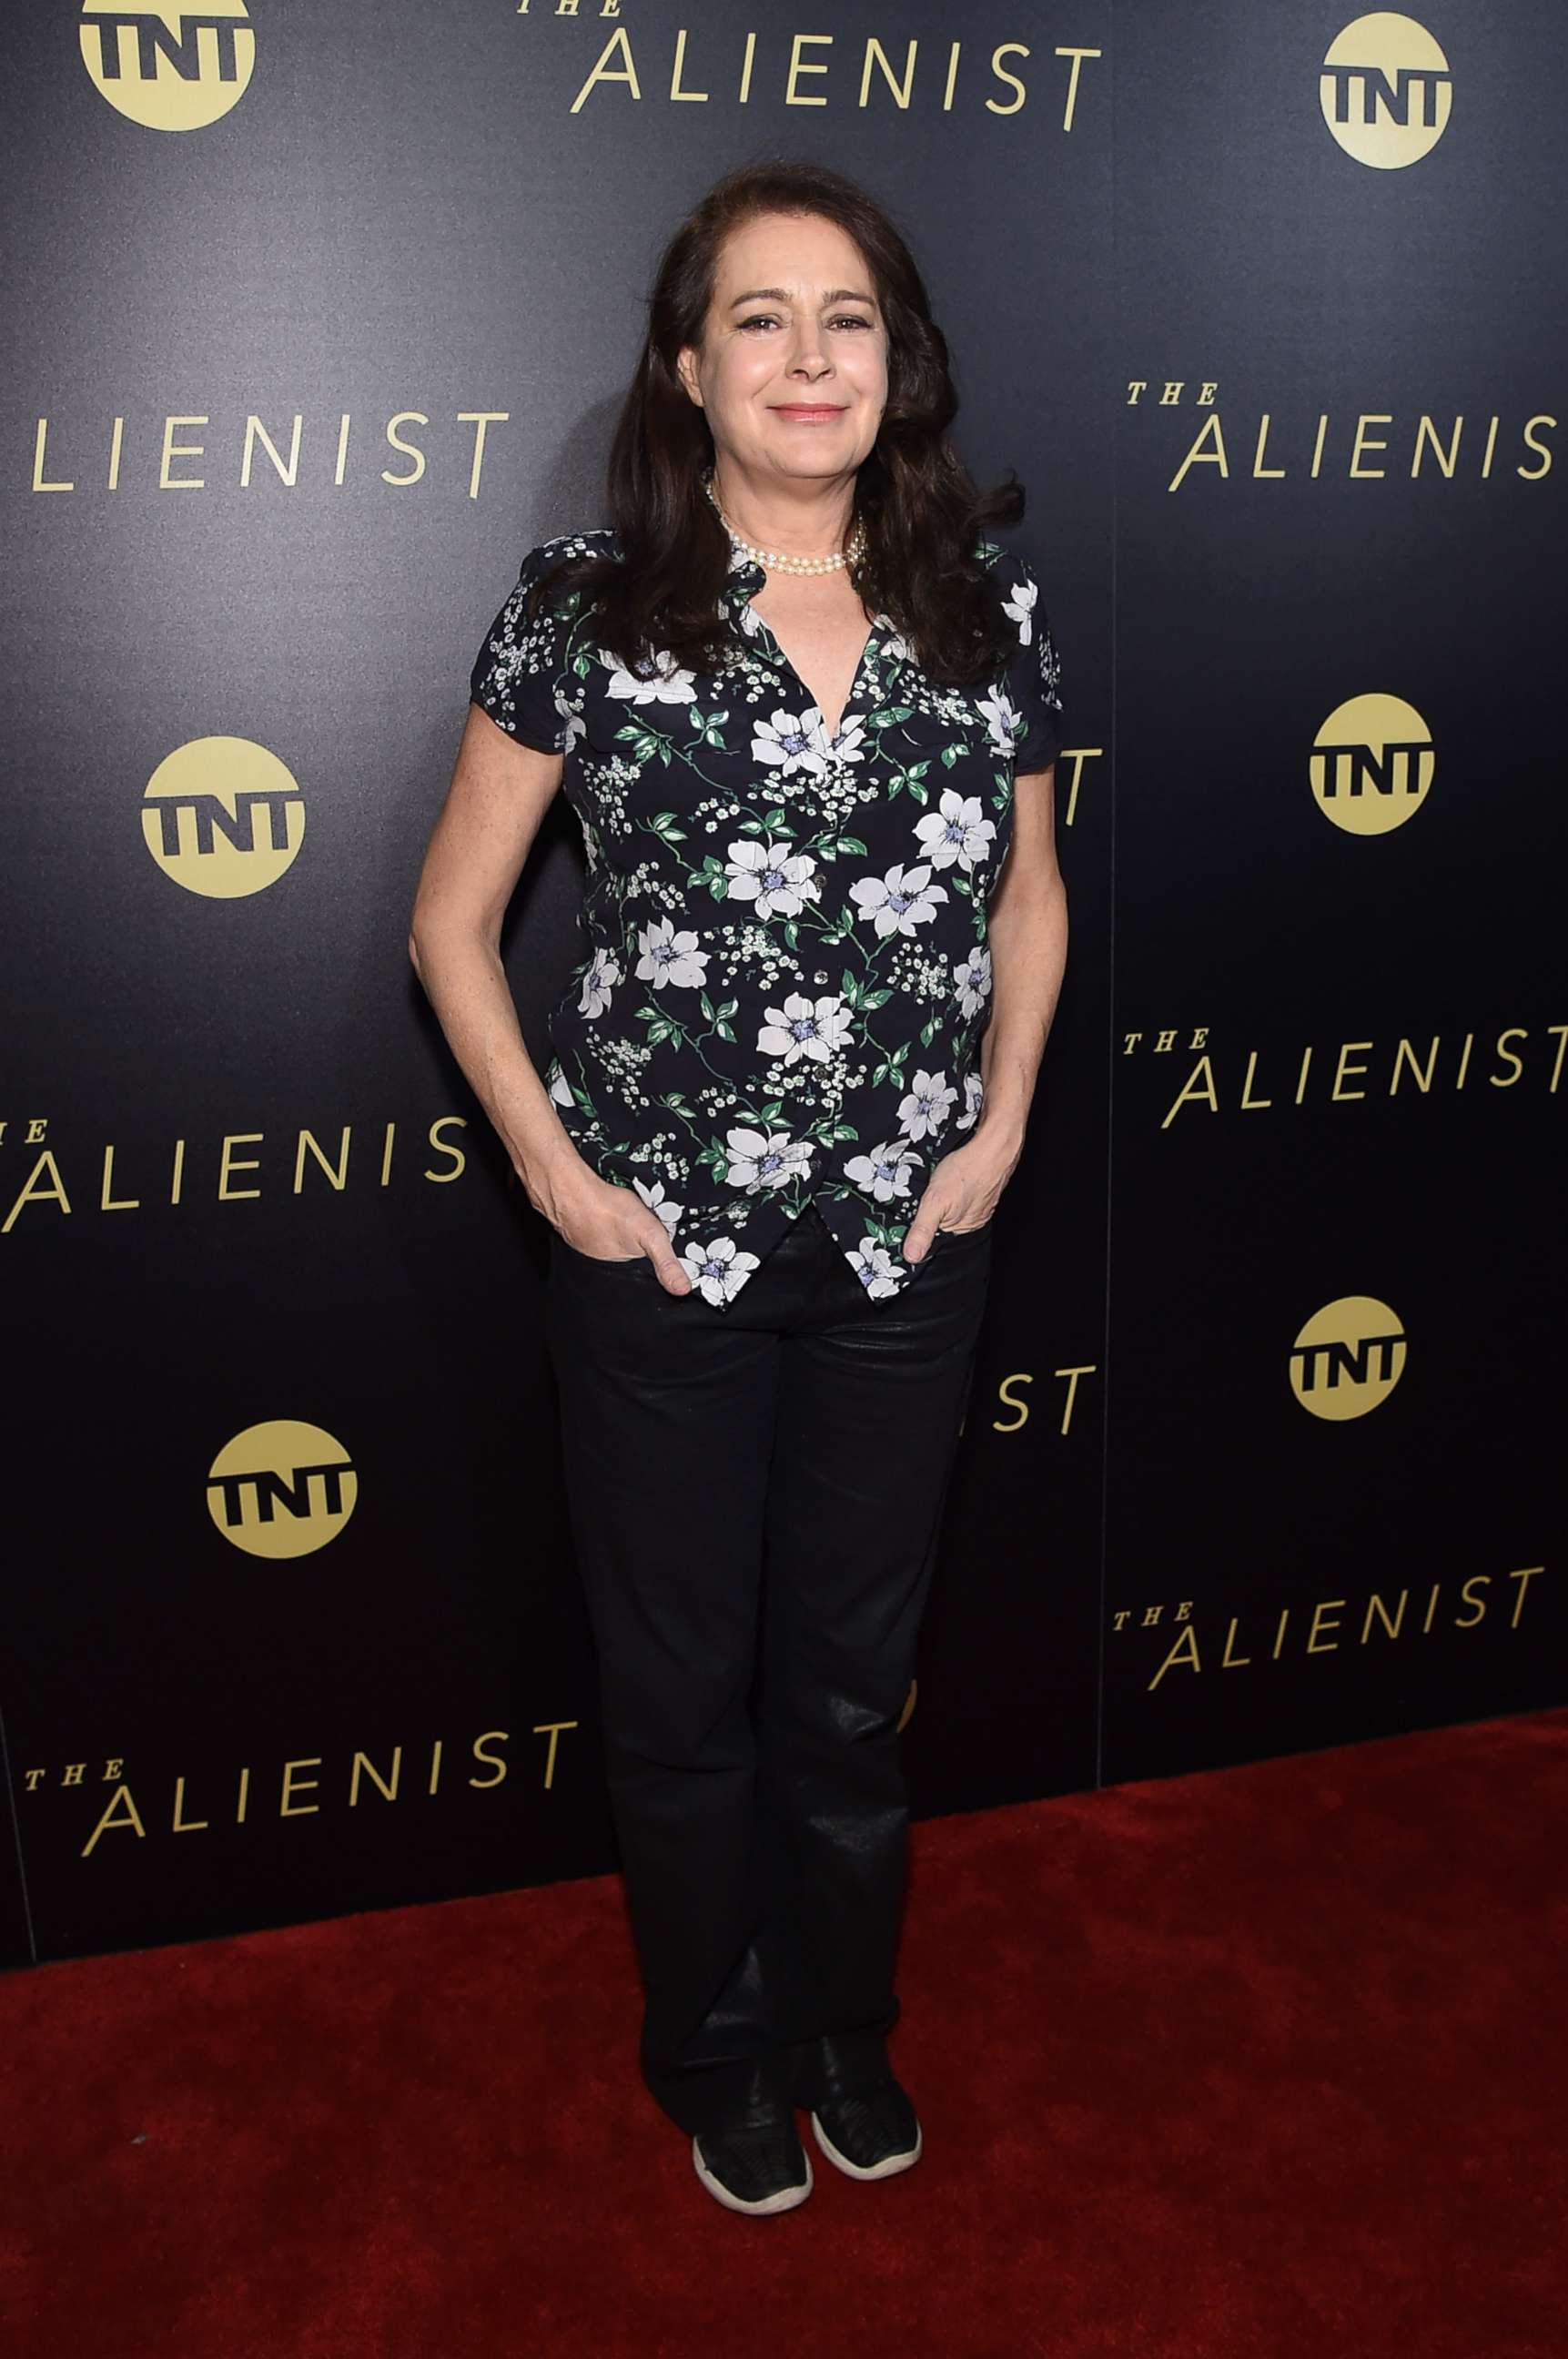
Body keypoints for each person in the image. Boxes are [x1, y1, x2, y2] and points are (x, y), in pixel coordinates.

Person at [409, 157, 1067, 2217]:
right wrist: (561, 1181)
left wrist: (1002, 1127)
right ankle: (716, 2047)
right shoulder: (586, 608)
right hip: (659, 1262)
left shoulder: (987, 604)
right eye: (761, 319)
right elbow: (452, 920)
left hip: (900, 1253)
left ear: (900, 362)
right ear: (691, 371)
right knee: (684, 1702)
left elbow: (1031, 899)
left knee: (850, 1699)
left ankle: (845, 2026)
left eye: (848, 316)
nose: (809, 355)